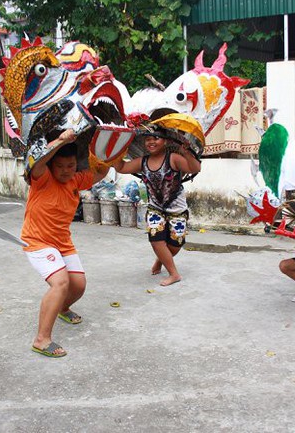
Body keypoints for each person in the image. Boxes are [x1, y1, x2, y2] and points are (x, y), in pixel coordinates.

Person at [22, 129, 109, 358]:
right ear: (52, 165)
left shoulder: (76, 179)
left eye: (70, 166)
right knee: (60, 283)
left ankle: (61, 307)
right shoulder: (42, 178)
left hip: (63, 242)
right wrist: (60, 141)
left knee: (78, 285)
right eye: (60, 166)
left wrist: (108, 145)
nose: (65, 171)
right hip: (37, 241)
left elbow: (102, 170)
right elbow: (38, 162)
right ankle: (41, 339)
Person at [113, 125, 202, 287]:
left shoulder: (173, 158)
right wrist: (117, 148)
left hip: (177, 210)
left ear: (166, 141)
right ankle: (174, 274)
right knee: (156, 239)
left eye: (156, 138)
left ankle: (160, 261)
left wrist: (187, 152)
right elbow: (121, 167)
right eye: (148, 139)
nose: (151, 142)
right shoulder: (143, 161)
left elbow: (195, 168)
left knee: (175, 245)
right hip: (155, 209)